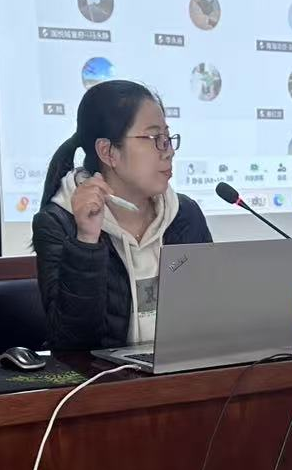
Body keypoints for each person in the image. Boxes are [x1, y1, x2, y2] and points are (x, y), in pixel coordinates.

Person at [33, 81, 212, 350]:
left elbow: (210, 317)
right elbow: (72, 343)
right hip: (102, 375)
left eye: (167, 137)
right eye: (154, 138)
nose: (168, 151)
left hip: (180, 370)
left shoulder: (184, 214)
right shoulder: (59, 223)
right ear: (108, 152)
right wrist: (86, 240)